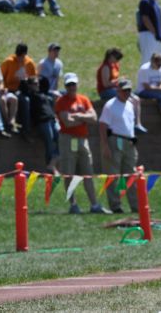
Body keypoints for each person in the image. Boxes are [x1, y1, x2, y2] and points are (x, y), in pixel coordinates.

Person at [55, 72, 108, 214]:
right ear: (66, 86)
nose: (72, 87)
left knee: (88, 173)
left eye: (74, 84)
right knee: (69, 174)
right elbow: (67, 122)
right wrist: (85, 118)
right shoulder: (61, 101)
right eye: (69, 85)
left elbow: (94, 118)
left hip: (83, 140)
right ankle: (73, 205)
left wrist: (78, 116)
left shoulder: (83, 99)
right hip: (67, 140)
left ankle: (94, 204)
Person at [99, 78, 140, 213]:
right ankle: (115, 205)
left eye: (129, 90)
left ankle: (136, 205)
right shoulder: (110, 105)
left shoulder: (130, 104)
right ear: (118, 90)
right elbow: (103, 125)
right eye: (124, 90)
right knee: (113, 175)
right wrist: (105, 145)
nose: (127, 93)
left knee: (131, 175)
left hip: (129, 142)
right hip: (115, 141)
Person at [96, 47, 147, 133]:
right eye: (117, 58)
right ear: (111, 56)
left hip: (117, 89)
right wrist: (118, 81)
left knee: (136, 99)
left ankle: (138, 124)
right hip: (106, 91)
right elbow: (106, 84)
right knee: (129, 100)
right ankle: (129, 123)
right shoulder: (105, 67)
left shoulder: (115, 65)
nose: (117, 60)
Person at [0, 42, 37, 136]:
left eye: (22, 56)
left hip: (24, 89)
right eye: (18, 55)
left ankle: (32, 127)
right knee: (25, 101)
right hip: (10, 89)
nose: (20, 58)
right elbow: (1, 78)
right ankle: (25, 129)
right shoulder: (8, 62)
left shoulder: (29, 63)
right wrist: (3, 89)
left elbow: (34, 78)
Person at [26, 75, 60, 174]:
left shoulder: (43, 94)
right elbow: (22, 88)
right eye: (35, 84)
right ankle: (51, 169)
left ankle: (52, 163)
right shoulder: (29, 96)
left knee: (61, 138)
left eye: (38, 83)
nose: (37, 85)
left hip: (52, 119)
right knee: (49, 143)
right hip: (43, 121)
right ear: (29, 85)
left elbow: (45, 82)